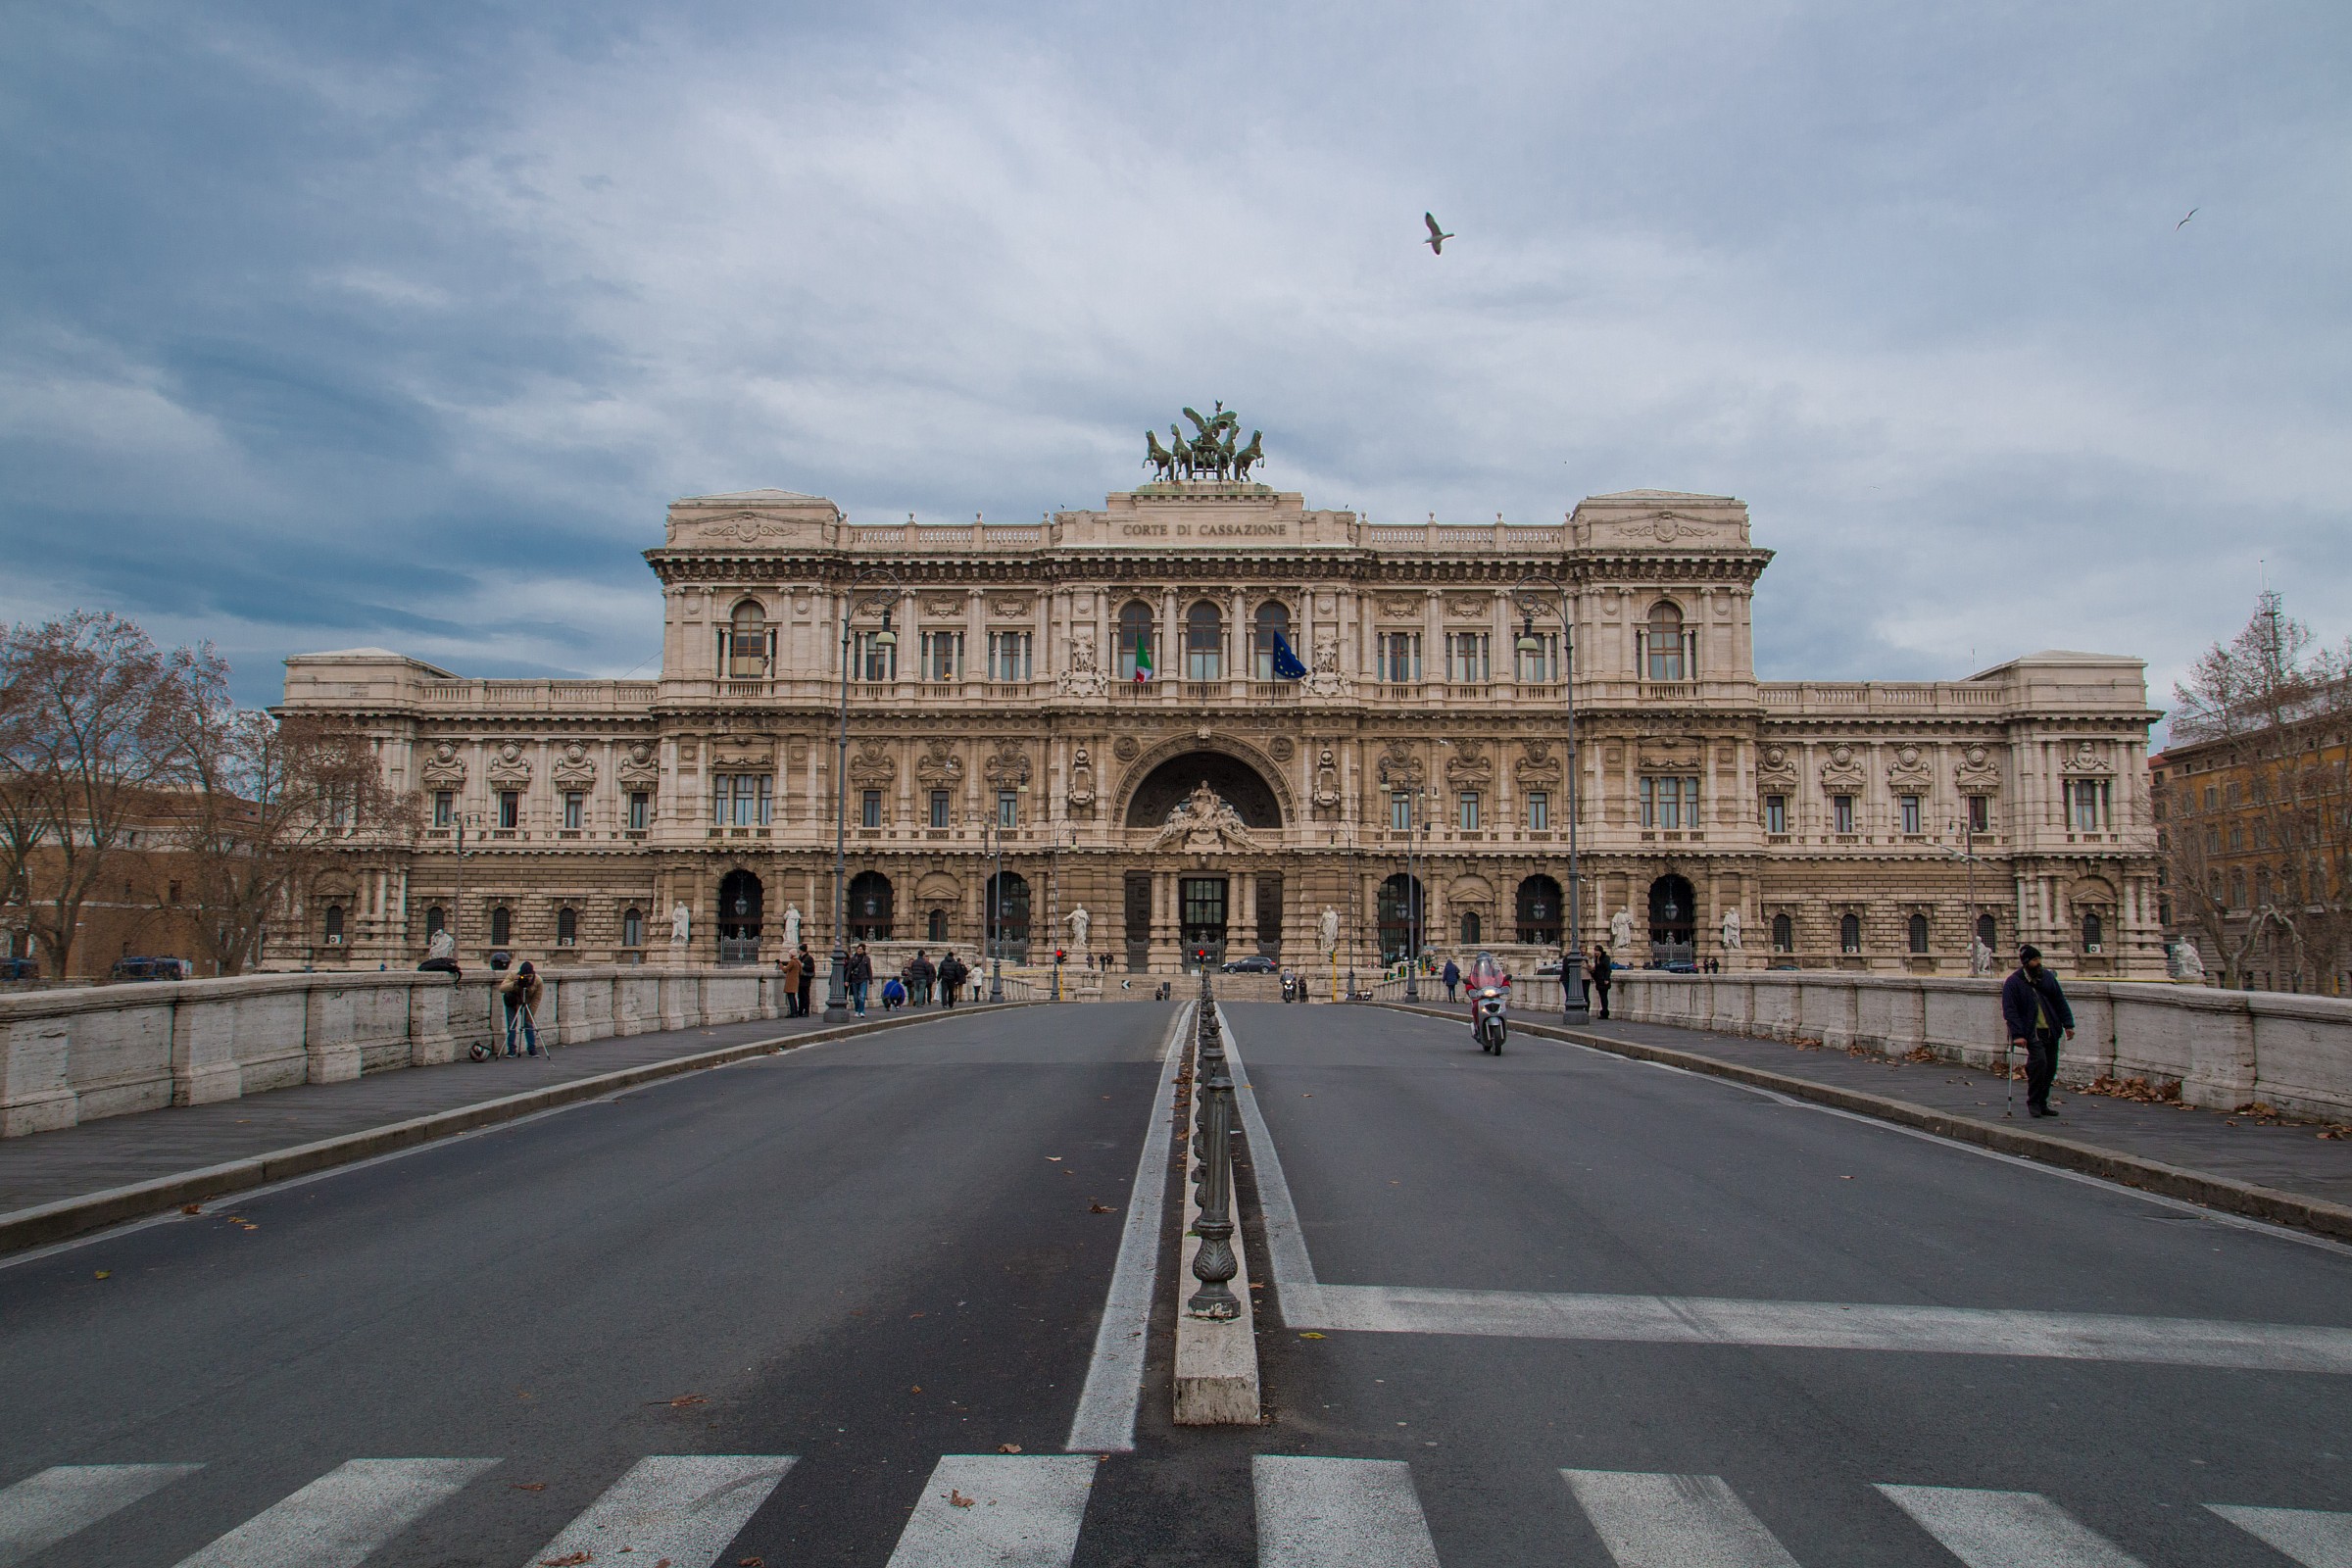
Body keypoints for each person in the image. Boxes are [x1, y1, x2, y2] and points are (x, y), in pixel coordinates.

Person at [2000, 944, 2077, 1117]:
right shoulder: (2014, 982)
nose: (2039, 963)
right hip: (2031, 1031)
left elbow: (2060, 1001)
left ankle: (2043, 1102)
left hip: (2051, 1029)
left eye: (2039, 959)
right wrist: (2018, 1035)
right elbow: (2010, 1010)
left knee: (2050, 1067)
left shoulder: (2047, 977)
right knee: (2039, 1064)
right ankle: (2033, 1101)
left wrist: (2068, 1024)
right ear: (2026, 962)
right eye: (2035, 960)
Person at [500, 960, 544, 1056]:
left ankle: (532, 1049)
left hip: (526, 1003)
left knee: (528, 1024)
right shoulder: (513, 975)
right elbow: (501, 988)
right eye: (524, 976)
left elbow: (536, 999)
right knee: (511, 1025)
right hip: (513, 1002)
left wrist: (530, 1015)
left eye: (528, 977)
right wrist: (514, 983)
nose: (526, 979)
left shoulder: (538, 980)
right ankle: (511, 1050)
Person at [847, 943, 874, 1016]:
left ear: (863, 950)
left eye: (861, 949)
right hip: (854, 979)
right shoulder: (853, 959)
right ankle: (857, 1010)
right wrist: (846, 980)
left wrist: (871, 980)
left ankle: (861, 1011)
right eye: (858, 949)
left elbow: (869, 969)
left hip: (863, 979)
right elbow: (849, 970)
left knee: (862, 996)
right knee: (855, 997)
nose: (859, 950)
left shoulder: (866, 959)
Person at [1590, 943, 1615, 1020]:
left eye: (1597, 951)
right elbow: (1596, 971)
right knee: (1602, 997)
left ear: (1601, 951)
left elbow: (1608, 969)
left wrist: (1606, 979)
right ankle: (1604, 1012)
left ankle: (1605, 1013)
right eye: (1595, 951)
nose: (1596, 952)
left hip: (1604, 981)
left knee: (1604, 997)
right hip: (1599, 981)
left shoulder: (1605, 958)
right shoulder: (1596, 959)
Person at [779, 948, 805, 1016]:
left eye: (789, 954)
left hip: (791, 981)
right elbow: (801, 972)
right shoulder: (798, 961)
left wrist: (780, 965)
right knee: (793, 997)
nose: (788, 955)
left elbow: (785, 970)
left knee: (790, 997)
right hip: (796, 981)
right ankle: (795, 1012)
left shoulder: (792, 962)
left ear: (791, 954)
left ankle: (793, 1012)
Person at [796, 943, 814, 1018]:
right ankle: (800, 1011)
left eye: (799, 950)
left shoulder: (809, 958)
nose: (798, 951)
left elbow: (811, 968)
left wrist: (803, 965)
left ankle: (806, 1011)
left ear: (802, 950)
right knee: (800, 996)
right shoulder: (800, 957)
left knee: (805, 996)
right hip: (800, 979)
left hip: (805, 979)